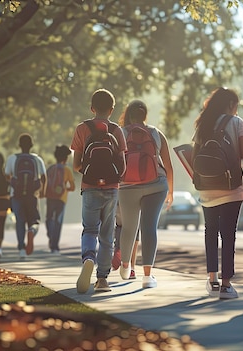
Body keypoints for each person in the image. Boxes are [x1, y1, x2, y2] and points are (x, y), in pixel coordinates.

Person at [192, 88, 243, 299]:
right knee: (228, 235)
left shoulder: (203, 124)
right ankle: (226, 285)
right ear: (230, 105)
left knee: (210, 231)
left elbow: (195, 155)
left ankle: (212, 280)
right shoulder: (237, 123)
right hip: (231, 188)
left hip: (207, 187)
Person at [70, 88, 126, 294]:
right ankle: (102, 280)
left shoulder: (81, 129)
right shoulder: (117, 131)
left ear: (92, 108)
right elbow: (123, 166)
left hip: (90, 187)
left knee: (90, 230)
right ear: (112, 110)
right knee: (107, 234)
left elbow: (76, 165)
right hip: (111, 189)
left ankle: (88, 259)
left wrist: (89, 172)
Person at [117, 99, 174, 289]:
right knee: (149, 228)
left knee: (129, 228)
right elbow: (168, 165)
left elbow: (116, 163)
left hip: (127, 187)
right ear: (145, 115)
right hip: (156, 185)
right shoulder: (156, 134)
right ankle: (147, 277)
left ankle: (126, 266)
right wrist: (170, 191)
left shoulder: (121, 134)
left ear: (129, 115)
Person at [5, 134, 46, 258]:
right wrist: (43, 191)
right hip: (32, 195)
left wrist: (14, 183)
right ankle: (31, 231)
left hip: (16, 195)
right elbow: (43, 176)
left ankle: (22, 249)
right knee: (35, 221)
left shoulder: (12, 158)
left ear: (19, 145)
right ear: (31, 145)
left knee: (20, 221)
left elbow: (7, 175)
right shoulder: (37, 159)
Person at [45, 145, 76, 254]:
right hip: (61, 199)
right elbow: (72, 187)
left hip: (49, 197)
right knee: (58, 221)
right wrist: (65, 188)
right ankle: (55, 247)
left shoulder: (50, 168)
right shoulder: (67, 170)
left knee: (49, 218)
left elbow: (44, 183)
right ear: (66, 158)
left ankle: (50, 234)